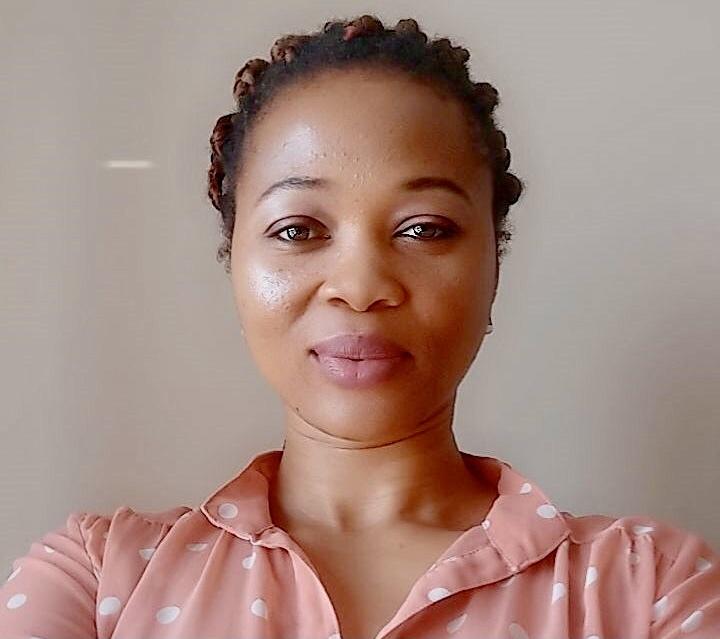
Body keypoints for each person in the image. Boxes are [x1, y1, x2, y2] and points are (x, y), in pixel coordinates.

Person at [1, 13, 718, 639]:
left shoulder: (651, 589)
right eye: (298, 229)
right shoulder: (97, 580)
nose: (361, 285)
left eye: (425, 228)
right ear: (234, 267)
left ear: (491, 269)